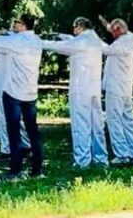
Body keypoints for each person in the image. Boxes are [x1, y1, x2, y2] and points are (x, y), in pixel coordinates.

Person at [0, 14, 44, 181]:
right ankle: (37, 169)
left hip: (14, 92)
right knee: (33, 132)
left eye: (17, 23)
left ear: (23, 25)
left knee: (13, 132)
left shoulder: (17, 41)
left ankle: (16, 170)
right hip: (31, 92)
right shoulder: (36, 40)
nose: (14, 25)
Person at [42, 17, 108, 168]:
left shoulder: (79, 42)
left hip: (80, 89)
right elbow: (73, 41)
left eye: (74, 27)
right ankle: (100, 158)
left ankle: (82, 161)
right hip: (94, 88)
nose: (73, 30)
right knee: (97, 125)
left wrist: (39, 42)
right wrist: (64, 36)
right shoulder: (95, 40)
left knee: (80, 125)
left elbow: (59, 46)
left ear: (80, 26)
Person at [100, 18, 133, 165]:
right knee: (128, 121)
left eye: (112, 31)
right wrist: (107, 25)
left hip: (116, 88)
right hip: (125, 88)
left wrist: (92, 38)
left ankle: (122, 154)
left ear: (117, 30)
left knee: (114, 120)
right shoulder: (130, 40)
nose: (111, 33)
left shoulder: (122, 43)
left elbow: (106, 50)